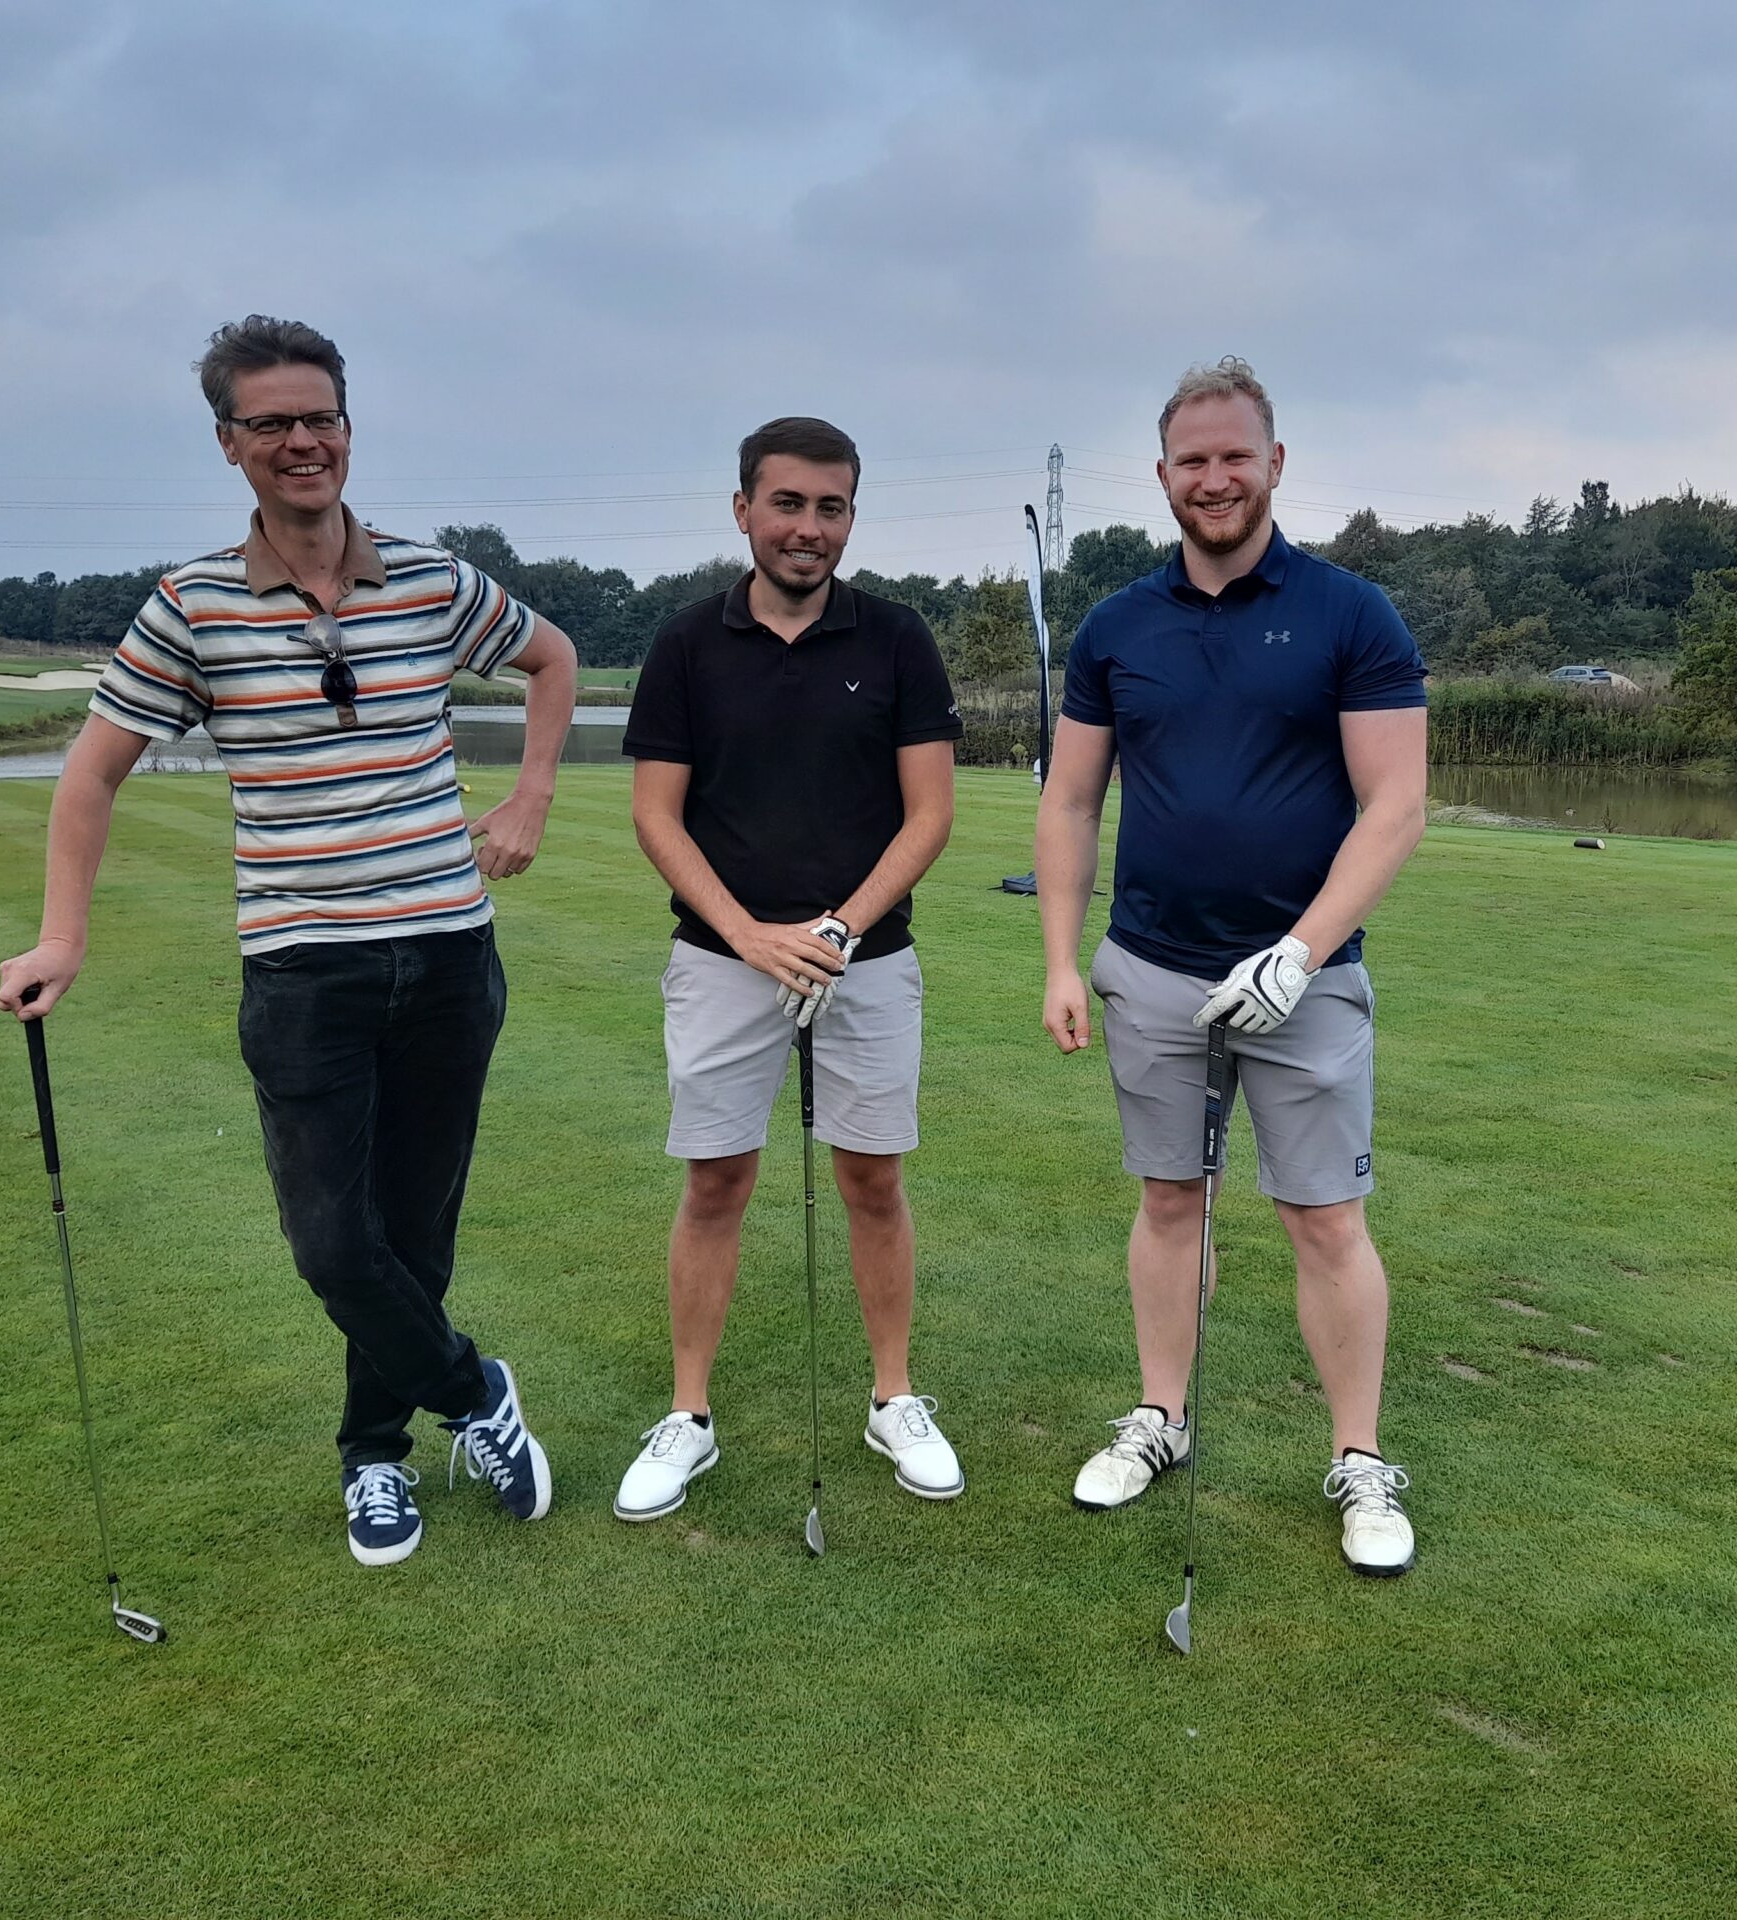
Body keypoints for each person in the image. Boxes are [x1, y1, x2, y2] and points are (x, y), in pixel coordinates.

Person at [0, 315, 578, 1568]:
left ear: (349, 432)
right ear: (230, 445)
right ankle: (476, 1392)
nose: (302, 441)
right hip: (304, 965)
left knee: (416, 1229)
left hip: (447, 957)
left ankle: (376, 1461)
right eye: (272, 423)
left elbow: (553, 658)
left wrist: (528, 797)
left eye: (320, 418)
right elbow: (94, 775)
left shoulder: (427, 578)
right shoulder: (192, 605)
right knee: (330, 1239)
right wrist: (61, 935)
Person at [1036, 357, 1429, 1577]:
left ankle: (1358, 1458)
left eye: (1234, 456)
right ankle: (1160, 1417)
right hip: (1151, 970)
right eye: (1191, 461)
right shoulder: (1117, 625)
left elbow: (1395, 805)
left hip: (1303, 981)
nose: (1214, 478)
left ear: (1274, 464)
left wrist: (1299, 953)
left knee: (1323, 1217)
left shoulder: (1349, 613)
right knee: (1168, 1201)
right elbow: (1068, 801)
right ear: (1162, 477)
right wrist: (1061, 956)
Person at [612, 416, 965, 1522]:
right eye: (788, 505)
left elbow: (928, 816)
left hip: (866, 956)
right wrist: (750, 934)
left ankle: (893, 1397)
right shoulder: (685, 643)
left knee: (872, 1179)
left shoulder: (897, 638)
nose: (809, 529)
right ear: (743, 510)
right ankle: (688, 1415)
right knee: (716, 1179)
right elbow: (658, 819)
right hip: (722, 958)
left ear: (850, 515)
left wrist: (840, 930)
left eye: (831, 508)